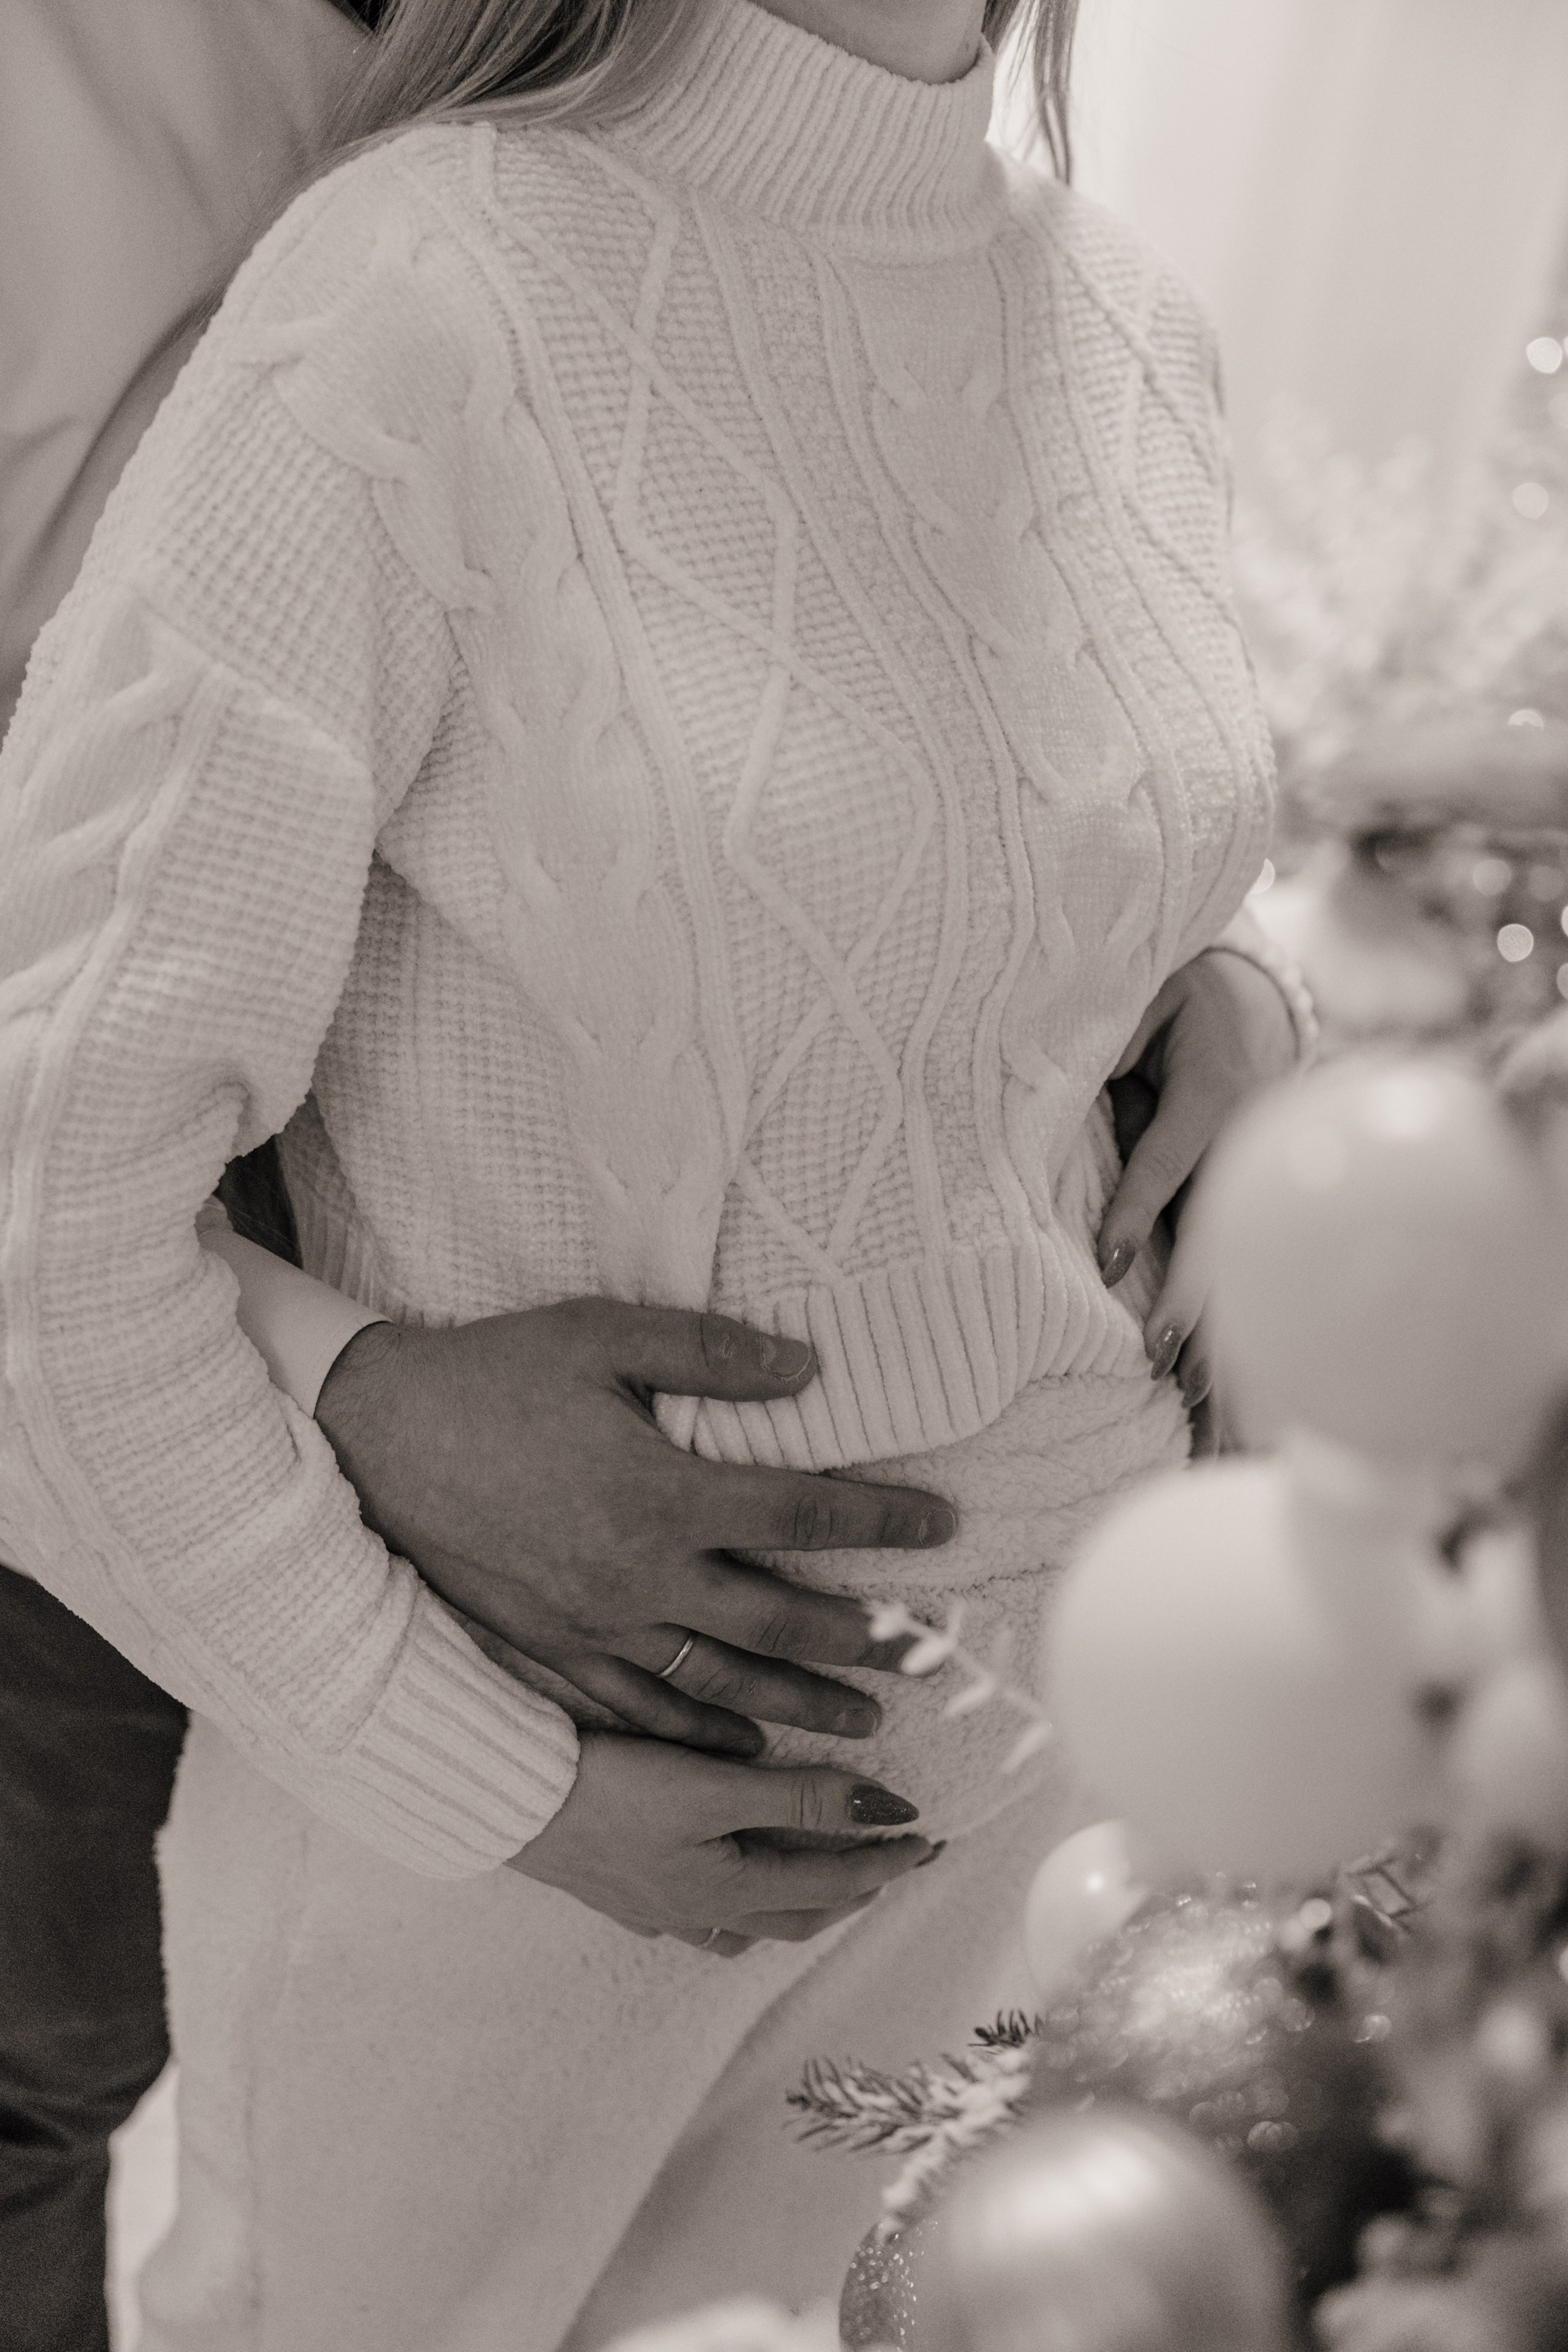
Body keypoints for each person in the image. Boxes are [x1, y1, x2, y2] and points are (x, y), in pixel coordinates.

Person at [0, 0, 1310, 2341]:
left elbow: (1017, 884)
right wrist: (485, 1779)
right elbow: (44, 1214)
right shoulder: (417, 292)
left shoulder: (1134, 325)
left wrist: (1243, 994)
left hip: (1042, 1803)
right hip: (555, 1822)